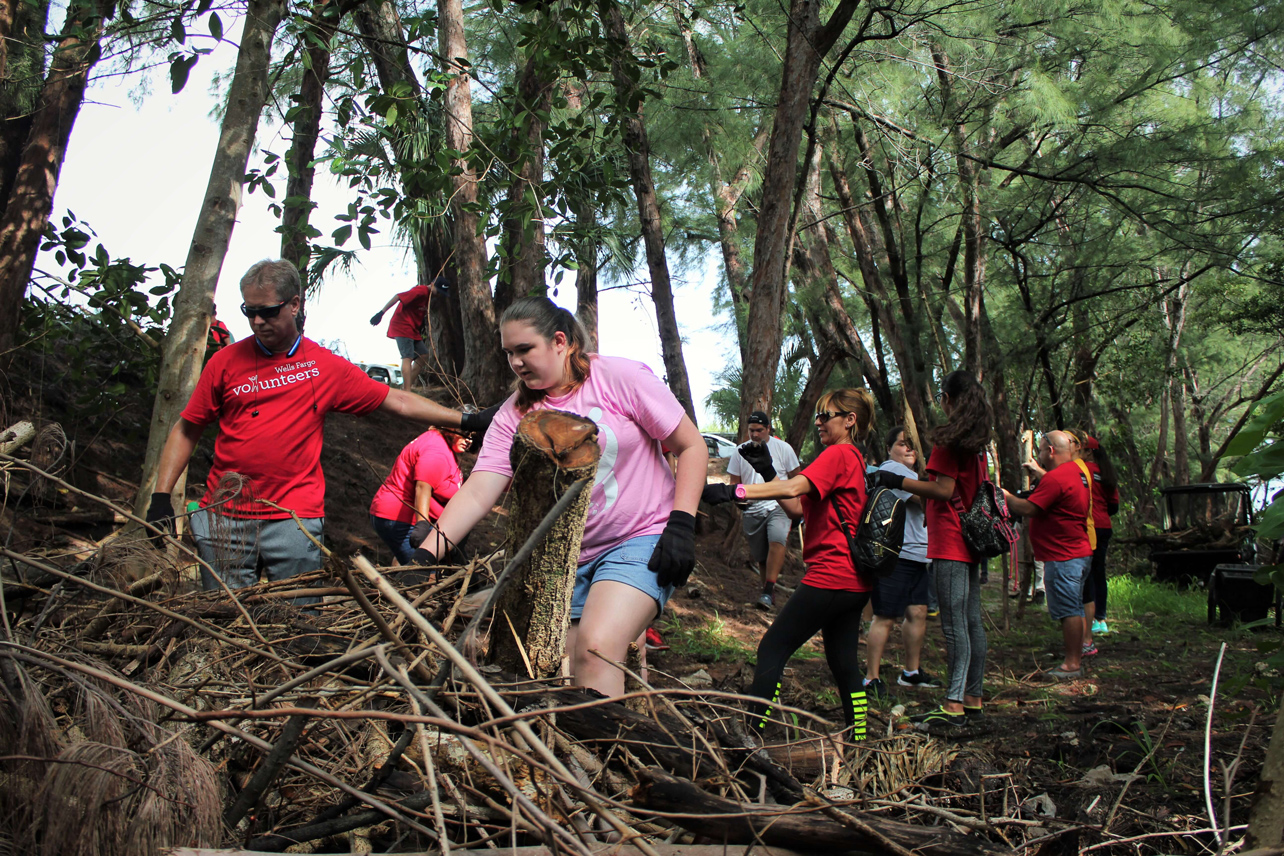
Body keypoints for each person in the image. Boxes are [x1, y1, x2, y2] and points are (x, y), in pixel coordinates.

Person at [408, 296, 707, 698]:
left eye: (525, 349)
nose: (515, 362)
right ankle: (622, 742)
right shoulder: (514, 414)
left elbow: (691, 446)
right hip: (569, 559)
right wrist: (427, 554)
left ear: (561, 342)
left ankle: (606, 753)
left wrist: (682, 524)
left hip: (642, 538)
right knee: (567, 665)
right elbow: (480, 489)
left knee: (597, 650)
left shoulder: (620, 378)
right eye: (509, 353)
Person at [146, 260, 490, 603]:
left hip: (293, 520)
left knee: (297, 626)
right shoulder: (224, 362)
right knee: (226, 620)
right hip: (225, 517)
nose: (256, 322)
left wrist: (465, 420)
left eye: (266, 311)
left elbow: (397, 401)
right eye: (248, 312)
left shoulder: (324, 366)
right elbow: (186, 428)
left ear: (294, 304)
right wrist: (160, 497)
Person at [703, 389, 876, 742]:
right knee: (845, 664)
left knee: (772, 648)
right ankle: (860, 737)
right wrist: (768, 471)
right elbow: (797, 509)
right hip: (854, 583)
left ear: (849, 420)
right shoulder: (855, 458)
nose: (818, 422)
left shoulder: (838, 453)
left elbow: (797, 484)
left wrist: (735, 492)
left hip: (830, 575)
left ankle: (752, 738)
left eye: (825, 415)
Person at [872, 370, 993, 733]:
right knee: (971, 621)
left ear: (947, 400)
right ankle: (972, 696)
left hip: (951, 540)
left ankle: (953, 703)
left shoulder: (949, 442)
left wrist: (898, 480)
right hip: (971, 541)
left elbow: (942, 489)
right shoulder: (976, 444)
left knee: (956, 625)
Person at [1003, 430, 1093, 680]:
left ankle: (1072, 664)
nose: (1039, 455)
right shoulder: (1076, 471)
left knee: (1069, 610)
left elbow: (1029, 508)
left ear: (1050, 451)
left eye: (1041, 450)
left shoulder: (1056, 479)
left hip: (1064, 556)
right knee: (1073, 606)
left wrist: (1005, 497)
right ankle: (1077, 652)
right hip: (1076, 552)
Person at [863, 426, 938, 703]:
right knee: (885, 616)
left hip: (918, 555)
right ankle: (871, 677)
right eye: (903, 444)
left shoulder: (909, 474)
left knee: (917, 612)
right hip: (897, 555)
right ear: (889, 448)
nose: (909, 450)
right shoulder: (893, 472)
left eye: (913, 446)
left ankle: (911, 672)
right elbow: (927, 498)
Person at [726, 410, 800, 609]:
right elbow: (735, 483)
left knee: (777, 539)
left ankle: (768, 590)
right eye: (751, 430)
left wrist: (798, 504)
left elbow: (797, 477)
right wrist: (737, 500)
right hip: (752, 508)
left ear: (768, 428)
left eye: (759, 430)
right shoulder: (740, 451)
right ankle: (767, 592)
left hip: (779, 505)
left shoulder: (783, 449)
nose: (755, 434)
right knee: (761, 555)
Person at [369, 424, 471, 564]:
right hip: (403, 519)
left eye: (473, 437)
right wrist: (421, 524)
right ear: (451, 428)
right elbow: (423, 488)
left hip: (405, 518)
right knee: (423, 572)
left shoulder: (439, 441)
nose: (469, 440)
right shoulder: (437, 451)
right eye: (466, 434)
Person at [370, 277, 447, 391]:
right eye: (438, 291)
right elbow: (398, 296)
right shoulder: (421, 291)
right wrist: (381, 313)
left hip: (412, 330)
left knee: (423, 355)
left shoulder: (428, 298)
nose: (439, 295)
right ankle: (407, 391)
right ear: (432, 284)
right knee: (407, 357)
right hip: (402, 326)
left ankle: (406, 386)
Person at [1082, 436, 1120, 637]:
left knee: (1086, 572)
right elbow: (1114, 506)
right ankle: (1100, 619)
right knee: (1099, 572)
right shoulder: (1107, 473)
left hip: (1089, 528)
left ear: (1088, 452)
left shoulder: (1082, 470)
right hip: (1104, 526)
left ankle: (1085, 618)